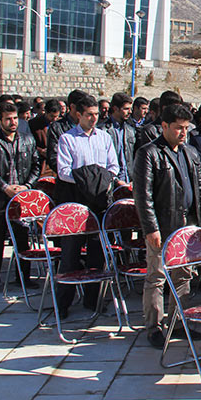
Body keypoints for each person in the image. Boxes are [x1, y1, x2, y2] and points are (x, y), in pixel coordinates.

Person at [133, 104, 201, 348]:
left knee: (183, 276)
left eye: (186, 128)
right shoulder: (149, 153)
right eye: (178, 128)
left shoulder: (190, 152)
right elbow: (143, 196)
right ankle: (154, 326)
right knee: (156, 277)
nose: (183, 132)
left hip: (187, 225)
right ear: (164, 126)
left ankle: (178, 322)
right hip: (163, 225)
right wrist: (150, 228)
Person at [55, 94, 120, 317]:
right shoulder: (67, 139)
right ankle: (63, 303)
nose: (94, 118)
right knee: (70, 254)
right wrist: (89, 179)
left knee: (97, 254)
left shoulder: (104, 138)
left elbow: (114, 167)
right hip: (75, 201)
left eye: (96, 114)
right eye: (89, 114)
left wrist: (98, 180)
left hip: (99, 201)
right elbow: (64, 171)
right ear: (79, 115)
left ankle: (93, 300)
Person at [0, 102, 40, 293]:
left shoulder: (28, 140)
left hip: (21, 197)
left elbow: (36, 165)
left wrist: (26, 186)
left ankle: (23, 277)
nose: (13, 122)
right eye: (8, 119)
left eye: (15, 118)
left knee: (22, 239)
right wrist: (4, 187)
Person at [98, 93, 136, 183]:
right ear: (115, 108)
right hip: (110, 181)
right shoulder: (102, 131)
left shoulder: (130, 130)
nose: (130, 112)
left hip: (129, 181)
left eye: (130, 109)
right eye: (126, 109)